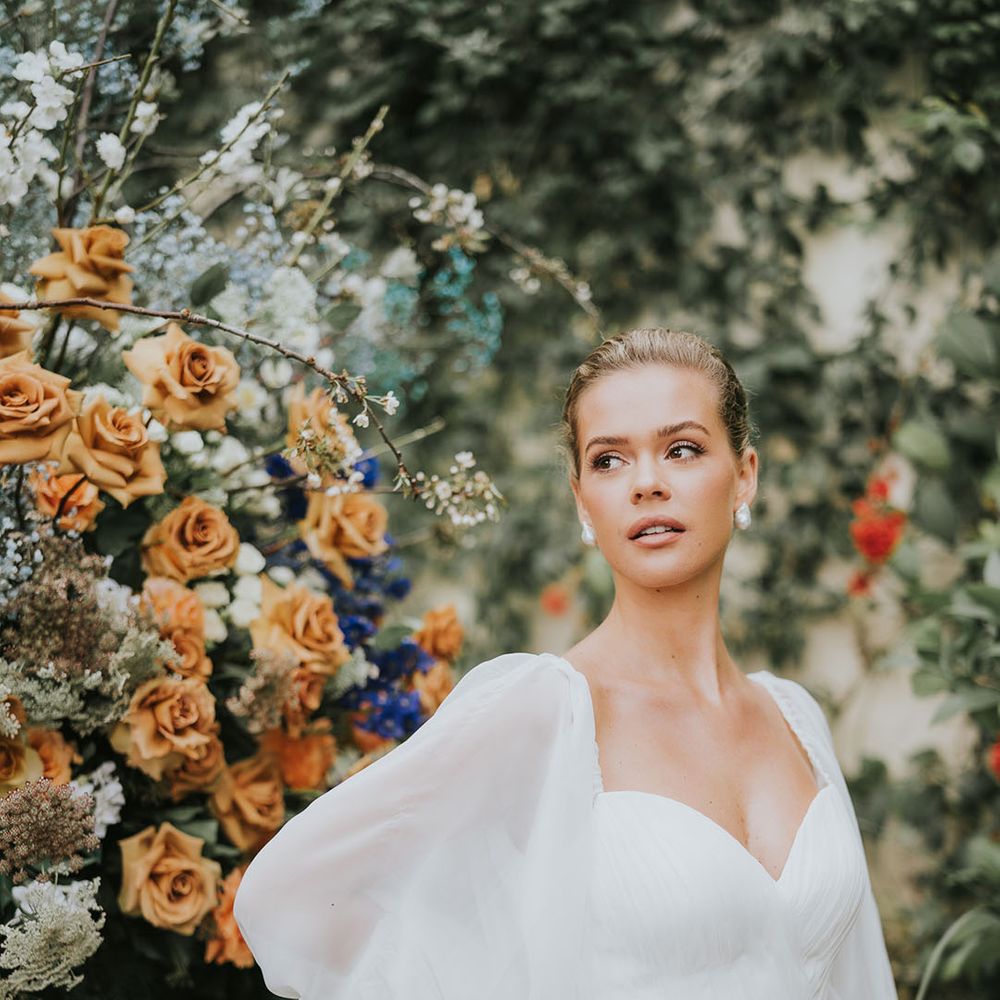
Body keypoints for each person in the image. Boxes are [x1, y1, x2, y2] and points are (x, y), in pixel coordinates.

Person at [234, 327, 899, 1000]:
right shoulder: (548, 710)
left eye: (682, 449)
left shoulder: (794, 717)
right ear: (583, 499)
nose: (647, 483)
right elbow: (290, 898)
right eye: (610, 460)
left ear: (744, 476)